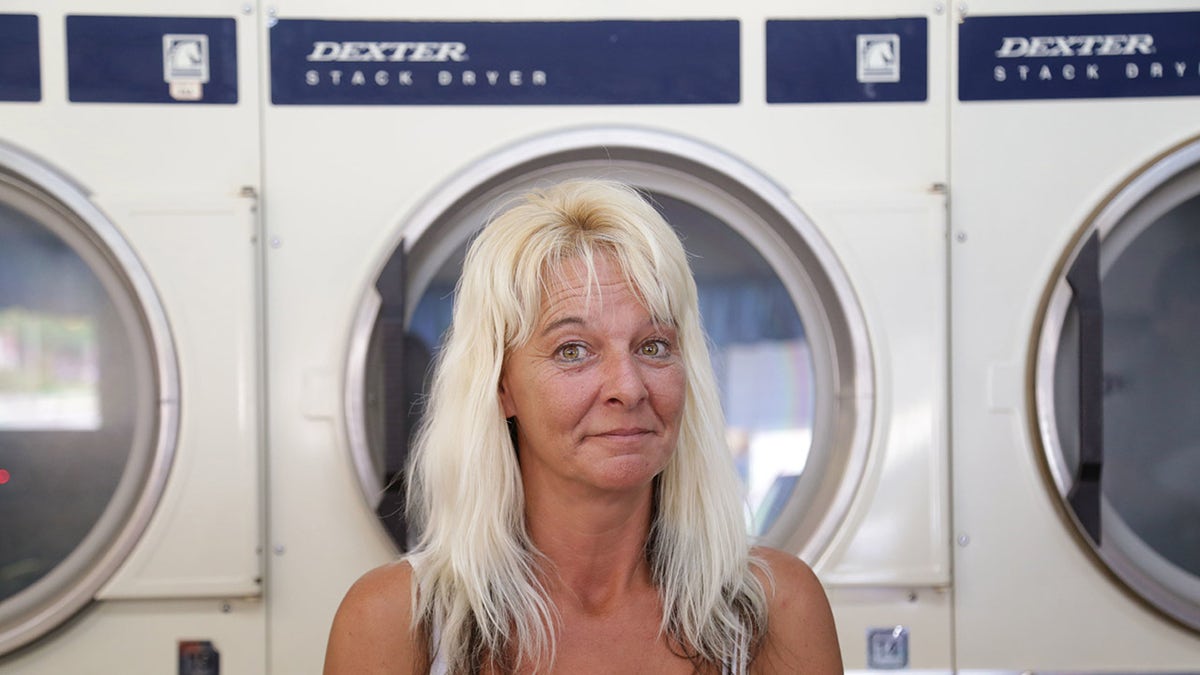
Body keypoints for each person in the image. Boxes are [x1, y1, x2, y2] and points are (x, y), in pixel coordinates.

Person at [323, 179, 842, 674]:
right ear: (501, 386)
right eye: (573, 351)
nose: (630, 387)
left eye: (653, 346)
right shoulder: (392, 622)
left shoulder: (777, 609)